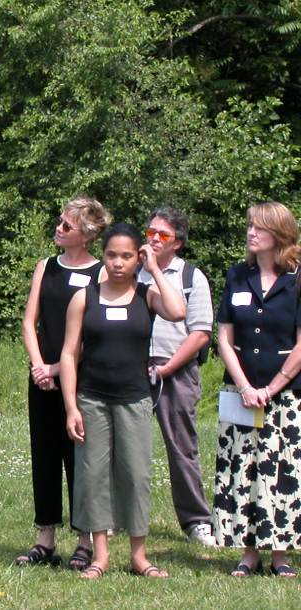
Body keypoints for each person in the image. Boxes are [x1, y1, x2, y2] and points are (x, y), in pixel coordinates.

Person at [61, 223, 185, 579]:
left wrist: (155, 268)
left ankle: (139, 556)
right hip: (92, 399)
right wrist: (71, 406)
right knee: (93, 475)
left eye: (127, 255)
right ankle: (100, 556)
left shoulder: (146, 294)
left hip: (134, 399)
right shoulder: (85, 297)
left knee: (135, 474)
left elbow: (177, 312)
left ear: (138, 258)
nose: (118, 263)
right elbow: (69, 355)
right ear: (103, 256)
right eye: (112, 255)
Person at [16, 197, 111, 569]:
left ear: (85, 236)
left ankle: (85, 540)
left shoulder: (101, 273)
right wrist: (39, 365)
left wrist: (58, 368)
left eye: (66, 226)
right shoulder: (46, 267)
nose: (58, 228)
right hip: (40, 376)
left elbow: (94, 332)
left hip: (78, 377)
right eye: (59, 222)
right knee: (44, 453)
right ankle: (45, 538)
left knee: (80, 457)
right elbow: (29, 322)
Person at [214, 201, 301, 578]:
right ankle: (248, 551)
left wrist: (272, 387)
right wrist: (246, 386)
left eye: (259, 228)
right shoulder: (237, 276)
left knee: (281, 471)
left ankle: (280, 552)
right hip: (241, 394)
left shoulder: (297, 280)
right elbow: (224, 337)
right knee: (243, 470)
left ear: (279, 235)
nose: (251, 232)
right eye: (249, 226)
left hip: (286, 394)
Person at [137, 208, 215, 546]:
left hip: (177, 370)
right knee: (125, 448)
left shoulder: (191, 277)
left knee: (182, 449)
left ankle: (197, 522)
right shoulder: (129, 270)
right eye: (150, 231)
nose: (153, 239)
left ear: (178, 243)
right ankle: (116, 517)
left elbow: (200, 333)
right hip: (133, 370)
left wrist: (167, 369)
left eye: (162, 235)